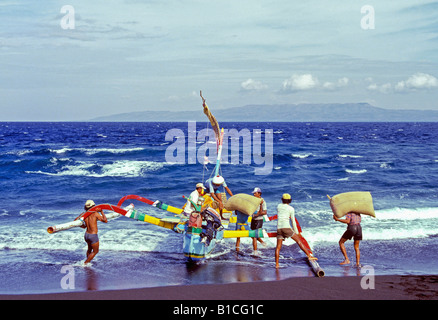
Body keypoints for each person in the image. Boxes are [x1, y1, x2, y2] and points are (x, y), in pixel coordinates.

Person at [275, 193, 317, 268]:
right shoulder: (291, 209)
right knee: (299, 241)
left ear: (282, 200)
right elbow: (293, 221)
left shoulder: (278, 206)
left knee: (278, 247)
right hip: (286, 228)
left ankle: (277, 264)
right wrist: (297, 232)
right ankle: (309, 256)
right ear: (290, 200)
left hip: (279, 228)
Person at [79, 200, 107, 265]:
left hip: (86, 235)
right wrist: (101, 212)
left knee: (89, 249)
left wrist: (84, 225)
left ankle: (88, 261)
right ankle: (85, 263)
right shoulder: (95, 214)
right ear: (93, 206)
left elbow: (78, 223)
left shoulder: (83, 214)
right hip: (93, 235)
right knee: (95, 251)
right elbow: (105, 220)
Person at [251, 187, 267, 254]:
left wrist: (258, 214)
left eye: (255, 193)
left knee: (254, 236)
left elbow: (265, 212)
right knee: (252, 235)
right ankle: (263, 243)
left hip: (259, 220)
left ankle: (255, 252)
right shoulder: (253, 200)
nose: (254, 194)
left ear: (259, 193)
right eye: (253, 193)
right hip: (253, 219)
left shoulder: (263, 202)